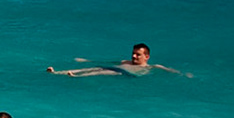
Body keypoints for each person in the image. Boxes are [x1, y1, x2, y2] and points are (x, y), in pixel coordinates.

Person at [48, 43, 184, 77]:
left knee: (102, 73)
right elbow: (108, 62)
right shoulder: (126, 61)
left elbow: (167, 69)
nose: (134, 56)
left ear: (146, 57)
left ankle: (76, 78)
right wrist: (86, 61)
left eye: (138, 55)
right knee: (97, 68)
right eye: (134, 54)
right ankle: (57, 72)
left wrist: (182, 74)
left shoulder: (151, 66)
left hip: (124, 74)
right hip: (117, 68)